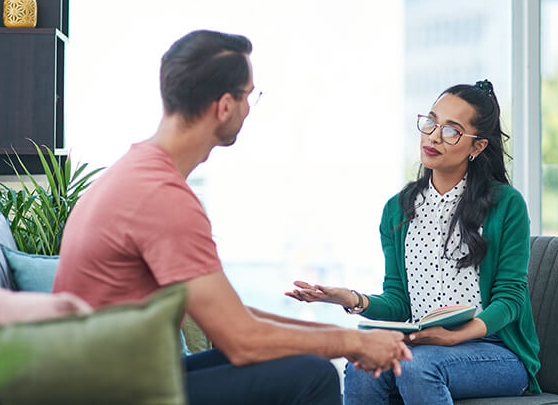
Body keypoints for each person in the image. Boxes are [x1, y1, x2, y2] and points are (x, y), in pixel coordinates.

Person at [53, 29, 412, 405]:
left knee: (304, 359)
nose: (249, 107)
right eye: (249, 95)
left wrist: (351, 340)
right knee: (314, 375)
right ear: (224, 106)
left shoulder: (137, 172)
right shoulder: (162, 198)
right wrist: (351, 342)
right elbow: (241, 341)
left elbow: (234, 317)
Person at [286, 80, 542, 404]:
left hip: (496, 352)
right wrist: (350, 299)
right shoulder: (398, 209)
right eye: (431, 122)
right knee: (361, 366)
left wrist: (453, 338)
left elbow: (510, 300)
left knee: (417, 366)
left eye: (452, 131)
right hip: (424, 346)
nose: (434, 136)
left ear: (477, 147)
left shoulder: (506, 204)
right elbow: (399, 303)